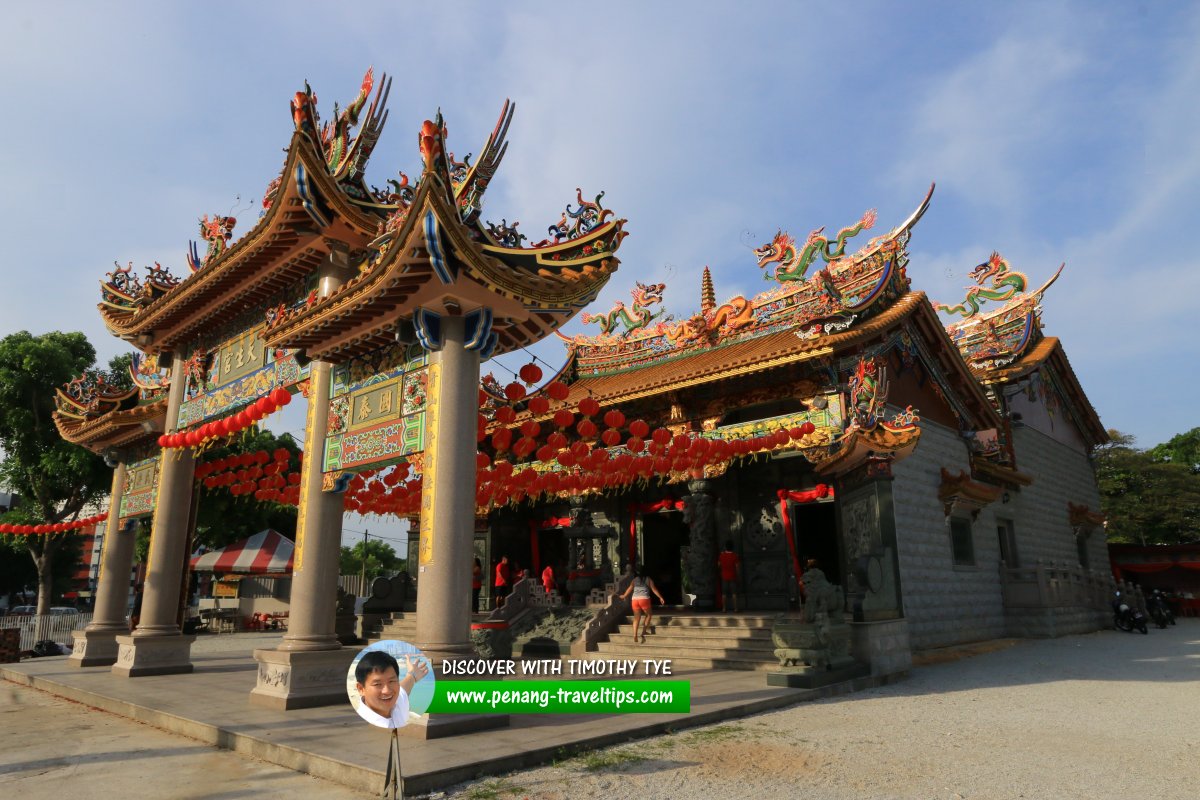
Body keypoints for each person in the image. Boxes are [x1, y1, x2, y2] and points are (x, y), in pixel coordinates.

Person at [353, 649, 429, 729]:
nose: (387, 691)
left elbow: (403, 689)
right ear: (361, 689)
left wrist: (412, 675)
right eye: (377, 684)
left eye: (391, 681)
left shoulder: (397, 703)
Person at [620, 564, 665, 643]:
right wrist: (660, 597)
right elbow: (654, 590)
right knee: (649, 615)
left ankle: (635, 635)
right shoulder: (648, 579)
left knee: (636, 618)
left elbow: (629, 589)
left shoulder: (634, 580)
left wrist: (624, 596)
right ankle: (644, 631)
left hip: (635, 600)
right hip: (644, 599)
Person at [717, 541, 741, 612]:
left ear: (725, 547)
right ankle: (735, 608)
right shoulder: (735, 556)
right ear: (732, 548)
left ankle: (724, 608)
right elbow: (737, 567)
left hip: (724, 576)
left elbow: (718, 565)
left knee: (724, 593)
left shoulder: (721, 556)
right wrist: (738, 576)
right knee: (734, 593)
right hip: (733, 576)